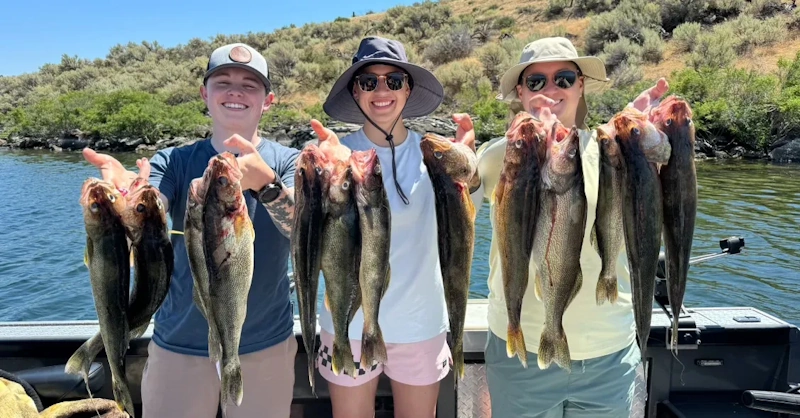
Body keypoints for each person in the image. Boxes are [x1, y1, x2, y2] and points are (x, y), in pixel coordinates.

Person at [81, 43, 300, 418]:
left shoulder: (287, 161)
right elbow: (157, 208)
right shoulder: (174, 160)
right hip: (178, 343)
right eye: (223, 82)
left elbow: (304, 229)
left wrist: (267, 186)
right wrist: (127, 197)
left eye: (250, 84)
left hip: (264, 343)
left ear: (268, 100)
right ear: (205, 94)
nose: (235, 91)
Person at [471, 36, 669, 418]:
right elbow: (454, 207)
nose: (550, 89)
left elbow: (666, 164)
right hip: (521, 352)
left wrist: (645, 132)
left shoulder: (614, 151)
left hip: (609, 351)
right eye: (536, 81)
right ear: (520, 91)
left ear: (580, 85)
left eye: (563, 78)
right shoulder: (501, 155)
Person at [309, 36, 476, 418]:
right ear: (355, 91)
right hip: (348, 324)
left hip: (421, 324)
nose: (381, 90)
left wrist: (466, 165)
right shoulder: (332, 155)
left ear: (407, 88)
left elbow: (465, 222)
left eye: (393, 80)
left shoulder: (435, 154)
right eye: (369, 82)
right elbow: (303, 229)